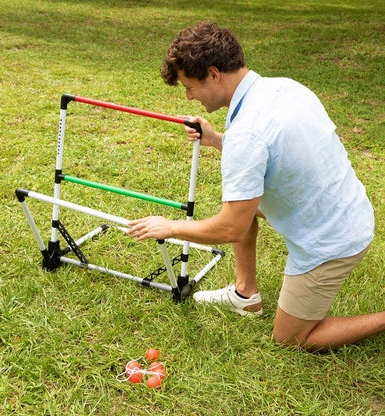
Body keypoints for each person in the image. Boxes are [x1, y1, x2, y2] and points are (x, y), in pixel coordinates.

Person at [127, 22, 385, 351]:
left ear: (214, 73)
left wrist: (170, 226)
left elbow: (232, 227)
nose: (189, 96)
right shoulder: (283, 88)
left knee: (291, 340)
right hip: (345, 207)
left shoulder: (246, 133)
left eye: (190, 86)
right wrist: (217, 140)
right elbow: (273, 152)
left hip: (333, 241)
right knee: (241, 198)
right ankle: (245, 294)